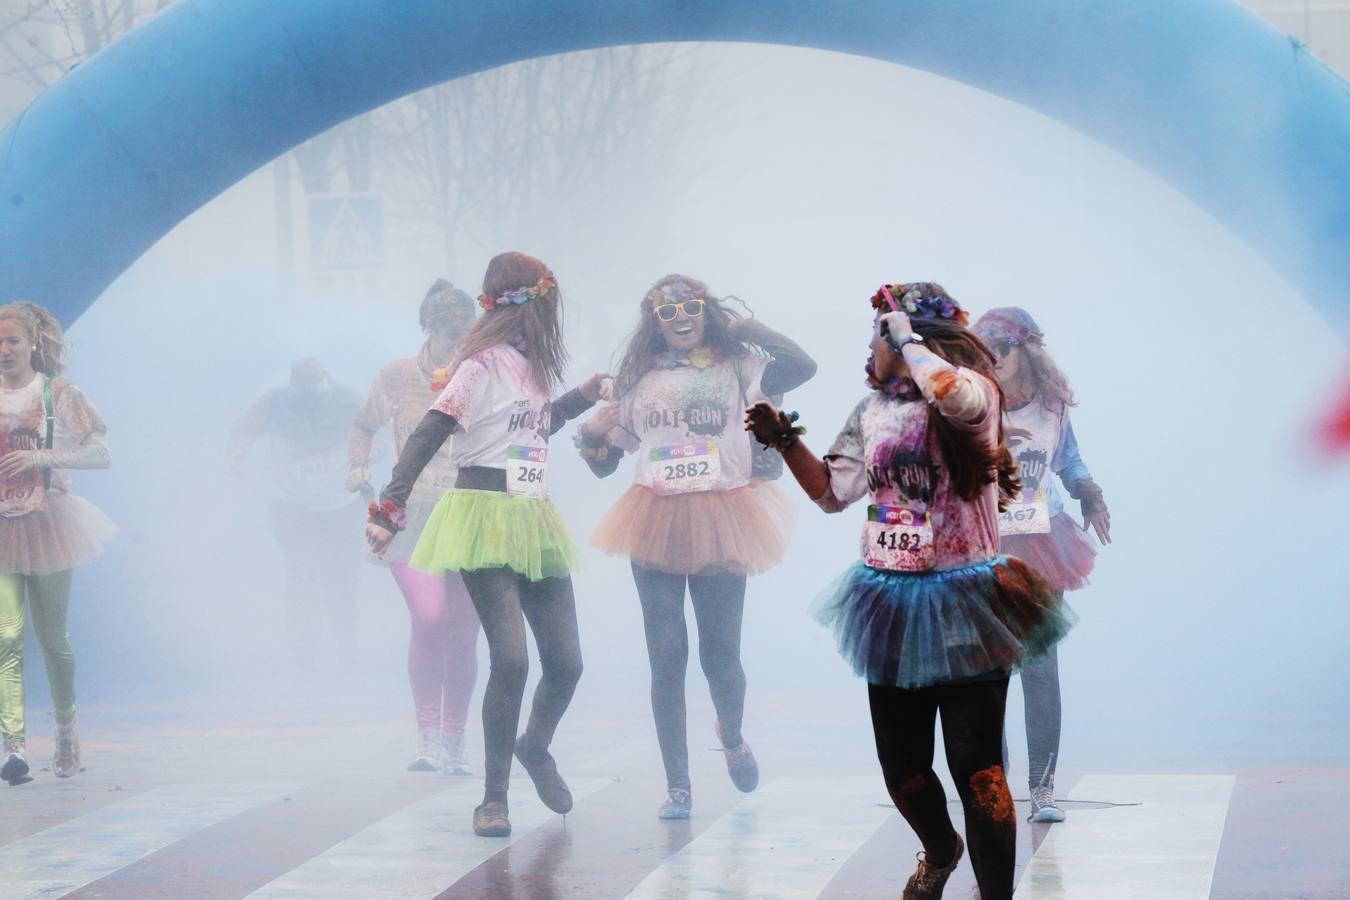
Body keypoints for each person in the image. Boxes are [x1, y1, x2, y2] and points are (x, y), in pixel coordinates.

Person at [745, 283, 1074, 900]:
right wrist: (784, 441)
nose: (868, 349)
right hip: (890, 601)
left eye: (876, 335)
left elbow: (954, 395)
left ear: (905, 337)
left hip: (969, 600)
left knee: (977, 770)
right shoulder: (870, 412)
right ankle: (941, 846)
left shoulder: (974, 396)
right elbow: (829, 494)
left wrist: (907, 338)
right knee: (904, 770)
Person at [365, 252, 606, 838]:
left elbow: (533, 429)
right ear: (518, 305)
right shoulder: (478, 365)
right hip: (481, 512)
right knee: (512, 658)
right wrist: (390, 508)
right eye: (541, 303)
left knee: (567, 662)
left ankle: (536, 746)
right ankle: (492, 799)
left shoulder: (534, 366)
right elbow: (431, 430)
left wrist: (584, 395)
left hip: (533, 515)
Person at [575, 274, 815, 819]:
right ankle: (678, 784)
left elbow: (802, 366)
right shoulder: (637, 380)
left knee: (720, 654)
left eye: (691, 307)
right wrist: (592, 435)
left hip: (722, 513)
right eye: (668, 311)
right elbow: (604, 464)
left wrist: (741, 325)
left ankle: (731, 735)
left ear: (706, 312)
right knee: (666, 655)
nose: (680, 317)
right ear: (653, 321)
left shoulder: (739, 368)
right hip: (652, 517)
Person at [973, 307, 1110, 824]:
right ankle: (993, 785)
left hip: (1040, 541)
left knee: (1039, 667)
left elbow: (1068, 459)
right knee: (987, 672)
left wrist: (1089, 494)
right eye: (984, 350)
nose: (994, 360)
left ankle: (1043, 787)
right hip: (982, 543)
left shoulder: (1052, 405)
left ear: (1024, 349)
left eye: (1001, 349)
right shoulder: (974, 402)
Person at [348, 280, 482, 775]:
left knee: (465, 633)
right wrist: (357, 465)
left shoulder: (481, 376)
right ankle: (426, 736)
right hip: (412, 515)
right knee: (430, 619)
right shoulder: (396, 378)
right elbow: (362, 424)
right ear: (428, 330)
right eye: (450, 336)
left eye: (466, 335)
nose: (458, 345)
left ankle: (455, 741)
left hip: (471, 512)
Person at [0, 301, 116, 785]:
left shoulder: (57, 394)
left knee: (52, 639)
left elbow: (101, 453)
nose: (4, 351)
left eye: (12, 341)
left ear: (34, 344)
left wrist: (41, 457)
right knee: (6, 637)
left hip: (47, 523)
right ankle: (15, 748)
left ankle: (67, 733)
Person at [229, 358, 364, 671]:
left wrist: (364, 459)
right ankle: (304, 642)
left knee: (341, 575)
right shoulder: (276, 401)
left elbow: (378, 430)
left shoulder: (349, 398)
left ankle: (346, 641)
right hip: (291, 503)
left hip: (342, 502)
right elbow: (244, 430)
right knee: (300, 569)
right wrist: (237, 452)